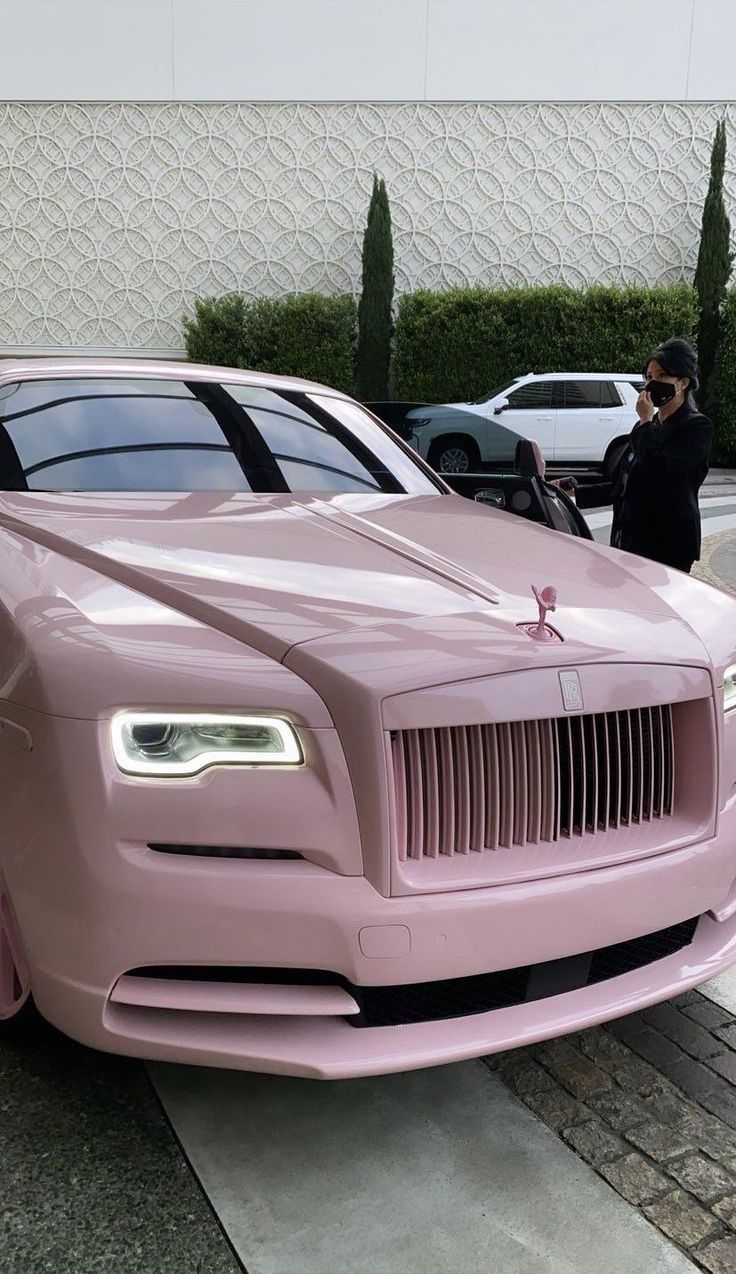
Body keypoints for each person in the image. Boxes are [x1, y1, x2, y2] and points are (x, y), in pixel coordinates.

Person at [574, 338, 712, 573]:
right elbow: (626, 484)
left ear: (683, 382)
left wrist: (646, 422)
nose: (652, 384)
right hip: (631, 539)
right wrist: (573, 493)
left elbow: (661, 476)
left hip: (667, 544)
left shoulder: (696, 427)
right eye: (648, 377)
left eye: (661, 376)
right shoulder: (648, 426)